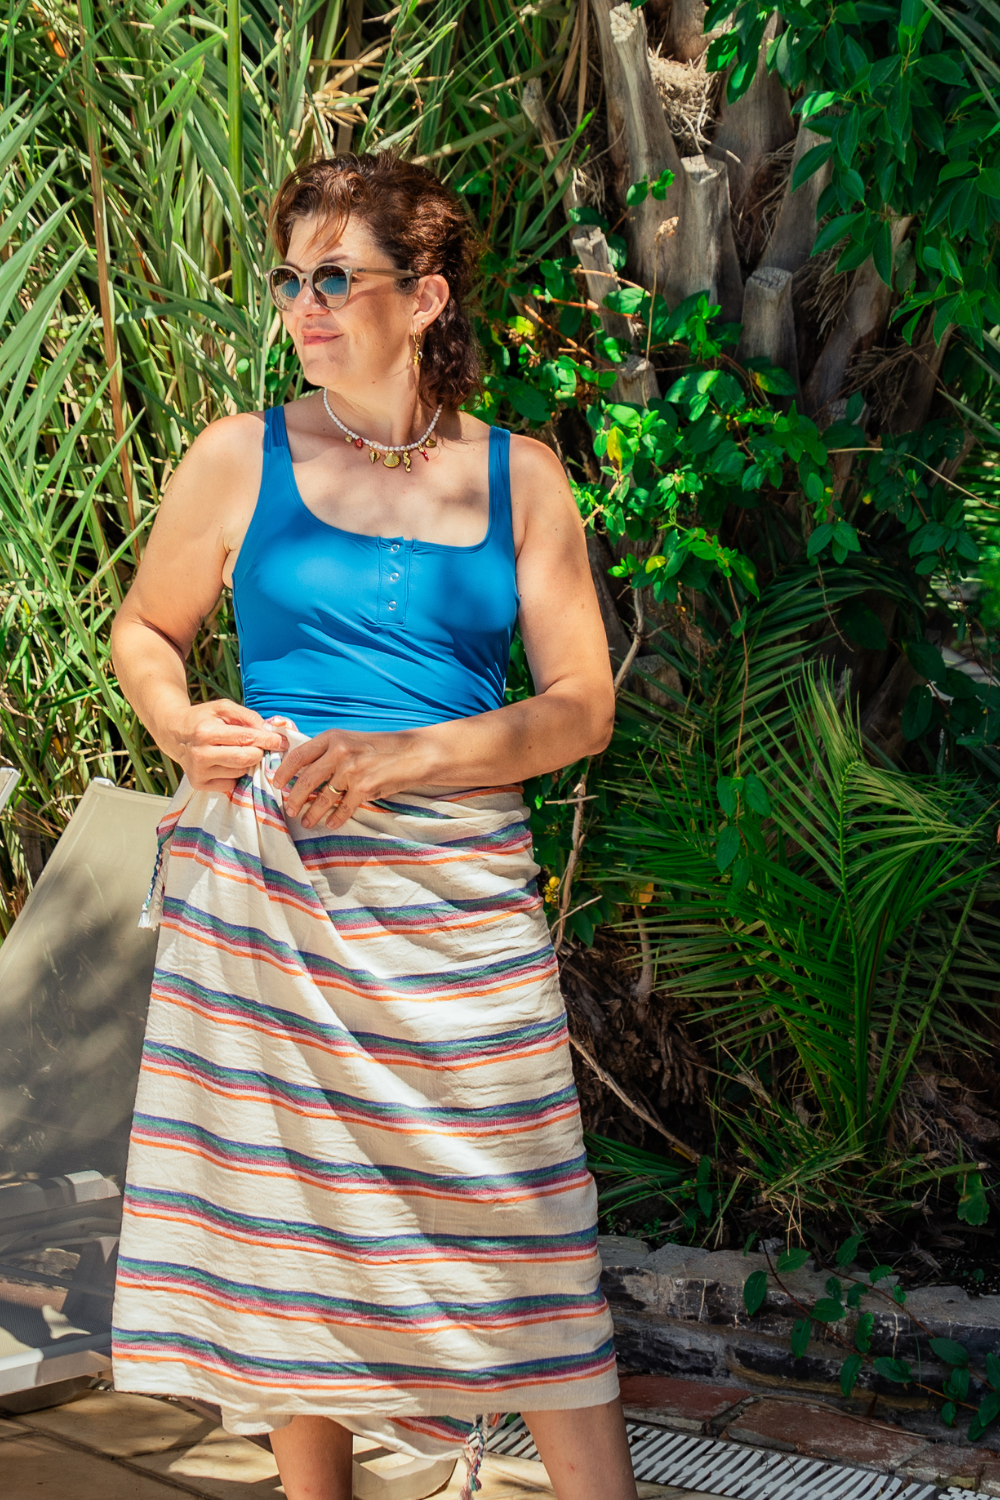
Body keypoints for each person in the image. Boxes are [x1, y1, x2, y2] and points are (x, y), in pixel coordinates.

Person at [110, 151, 637, 1500]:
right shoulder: (238, 456)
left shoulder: (525, 483)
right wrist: (178, 724)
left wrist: (408, 759)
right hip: (272, 893)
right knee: (300, 1246)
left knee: (533, 1240)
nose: (305, 305)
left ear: (428, 297)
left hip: (457, 905)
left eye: (337, 278)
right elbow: (146, 631)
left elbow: (581, 709)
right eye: (292, 280)